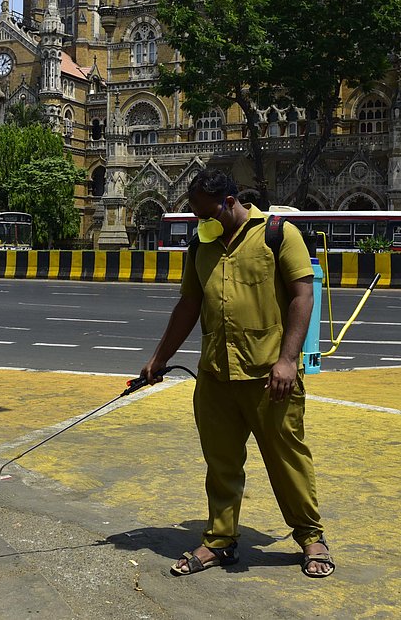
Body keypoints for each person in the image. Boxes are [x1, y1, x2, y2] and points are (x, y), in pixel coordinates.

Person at [140, 168, 333, 578]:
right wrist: (159, 359)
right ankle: (220, 541)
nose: (199, 222)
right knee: (221, 463)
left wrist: (287, 361)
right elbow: (188, 306)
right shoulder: (201, 246)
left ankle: (311, 537)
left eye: (204, 213)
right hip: (216, 376)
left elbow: (303, 295)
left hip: (270, 377)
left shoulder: (278, 235)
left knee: (287, 460)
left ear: (230, 202)